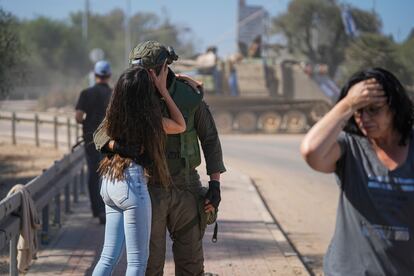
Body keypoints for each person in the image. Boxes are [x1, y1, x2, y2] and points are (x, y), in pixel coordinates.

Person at [93, 40, 226, 275]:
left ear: (163, 68)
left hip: (185, 187)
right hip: (149, 187)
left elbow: (210, 141)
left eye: (148, 71)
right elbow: (101, 135)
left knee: (191, 264)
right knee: (150, 266)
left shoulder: (189, 99)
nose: (143, 76)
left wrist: (215, 184)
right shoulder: (133, 96)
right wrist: (121, 147)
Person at [300, 68, 414, 275]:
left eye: (374, 109)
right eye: (359, 111)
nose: (364, 118)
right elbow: (311, 151)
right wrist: (347, 104)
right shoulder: (350, 147)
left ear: (395, 108)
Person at [92, 63, 186, 275]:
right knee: (136, 262)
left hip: (109, 180)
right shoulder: (149, 119)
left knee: (107, 258)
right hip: (132, 184)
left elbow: (98, 137)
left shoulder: (114, 114)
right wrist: (163, 90)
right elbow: (180, 125)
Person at [75, 60, 112, 224]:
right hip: (109, 140)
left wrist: (86, 124)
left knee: (93, 174)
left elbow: (78, 117)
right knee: (109, 174)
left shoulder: (86, 93)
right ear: (109, 76)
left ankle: (98, 211)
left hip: (91, 140)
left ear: (95, 75)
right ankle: (108, 208)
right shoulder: (114, 93)